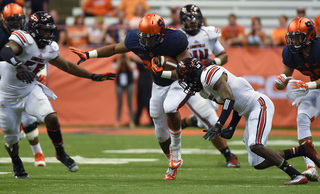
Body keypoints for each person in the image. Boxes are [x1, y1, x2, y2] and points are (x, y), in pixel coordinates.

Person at [70, 13, 192, 180]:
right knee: (158, 128)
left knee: (170, 107)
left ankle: (176, 149)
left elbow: (188, 71)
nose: (146, 42)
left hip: (176, 80)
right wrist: (88, 54)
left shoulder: (176, 39)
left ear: (162, 35)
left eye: (151, 38)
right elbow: (113, 49)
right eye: (144, 37)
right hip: (158, 84)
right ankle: (171, 160)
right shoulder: (135, 38)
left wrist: (164, 72)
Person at [0, 11, 116, 178]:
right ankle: (16, 161)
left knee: (51, 117)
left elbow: (67, 66)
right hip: (8, 95)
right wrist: (19, 65)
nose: (48, 34)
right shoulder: (23, 39)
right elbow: (5, 51)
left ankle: (60, 153)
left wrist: (92, 76)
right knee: (11, 139)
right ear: (33, 29)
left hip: (30, 90)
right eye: (44, 30)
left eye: (49, 30)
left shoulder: (50, 47)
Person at [176, 57, 320, 185]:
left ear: (193, 74)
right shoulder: (203, 90)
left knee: (255, 145)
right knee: (258, 162)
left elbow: (230, 99)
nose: (187, 83)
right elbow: (236, 104)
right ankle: (303, 150)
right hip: (248, 110)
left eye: (186, 78)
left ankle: (295, 174)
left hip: (259, 104)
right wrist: (231, 127)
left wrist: (220, 124)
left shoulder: (210, 75)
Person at [179, 4, 239, 168]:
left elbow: (223, 55)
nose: (192, 23)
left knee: (205, 116)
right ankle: (229, 156)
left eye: (194, 19)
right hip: (191, 85)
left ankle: (188, 122)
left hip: (210, 80)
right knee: (212, 120)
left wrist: (213, 61)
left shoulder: (208, 33)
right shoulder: (178, 37)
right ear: (182, 21)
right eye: (188, 20)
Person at [0, 3, 46, 167]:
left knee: (28, 119)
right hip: (4, 81)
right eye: (12, 20)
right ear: (4, 20)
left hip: (23, 77)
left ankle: (38, 152)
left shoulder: (29, 32)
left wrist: (42, 72)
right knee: (10, 129)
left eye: (18, 19)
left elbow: (41, 53)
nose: (16, 23)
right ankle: (16, 159)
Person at [274, 17, 320, 181]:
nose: (293, 40)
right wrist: (280, 81)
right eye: (291, 36)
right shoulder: (291, 51)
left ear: (309, 36)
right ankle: (311, 167)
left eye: (297, 36)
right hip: (316, 88)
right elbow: (284, 75)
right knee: (302, 116)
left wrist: (309, 86)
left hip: (315, 86)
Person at [114, 54, 135, 128]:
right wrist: (119, 60)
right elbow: (116, 68)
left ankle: (132, 121)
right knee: (119, 103)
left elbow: (132, 68)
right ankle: (118, 121)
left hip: (129, 83)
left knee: (130, 103)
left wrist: (127, 60)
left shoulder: (130, 60)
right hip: (119, 84)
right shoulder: (116, 60)